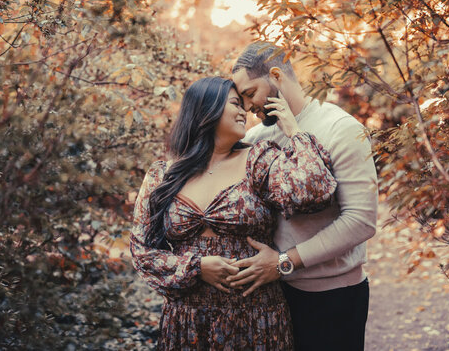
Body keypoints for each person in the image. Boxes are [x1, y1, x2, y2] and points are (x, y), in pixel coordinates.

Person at [130, 76, 338, 350]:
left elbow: (313, 191)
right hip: (188, 323)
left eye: (243, 104)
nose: (244, 111)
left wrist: (294, 131)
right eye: (235, 103)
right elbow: (141, 251)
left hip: (256, 318)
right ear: (206, 109)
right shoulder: (163, 175)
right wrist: (197, 268)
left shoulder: (258, 160)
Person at [227, 42, 379, 351]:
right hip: (274, 297)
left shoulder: (341, 129)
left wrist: (284, 262)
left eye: (250, 93)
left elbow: (361, 222)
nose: (247, 107)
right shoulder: (258, 137)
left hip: (334, 298)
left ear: (275, 75)